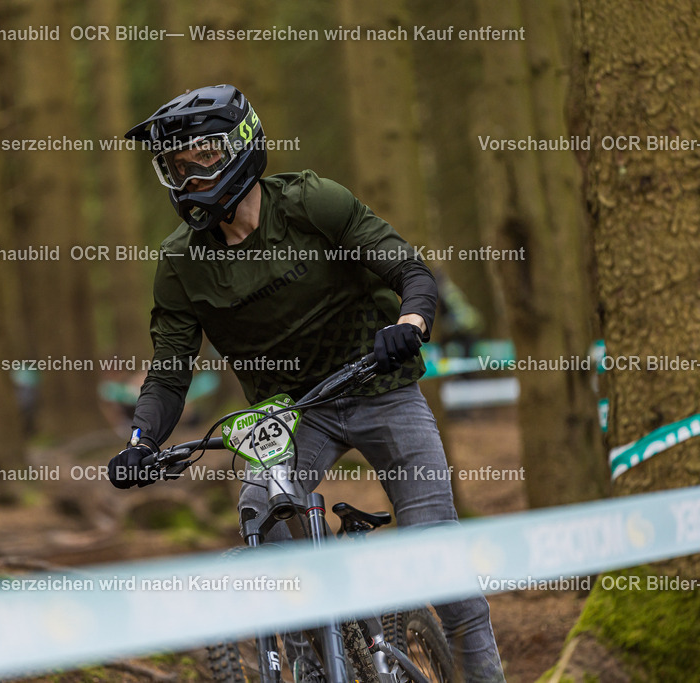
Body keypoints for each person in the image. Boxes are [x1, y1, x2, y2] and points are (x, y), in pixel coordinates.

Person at [108, 84, 505, 682]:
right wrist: (142, 442)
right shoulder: (181, 263)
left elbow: (410, 270)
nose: (190, 178)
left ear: (241, 146)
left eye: (203, 159)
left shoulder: (311, 202)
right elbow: (169, 372)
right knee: (262, 522)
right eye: (176, 167)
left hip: (380, 385)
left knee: (443, 570)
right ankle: (309, 661)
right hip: (290, 414)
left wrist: (410, 323)